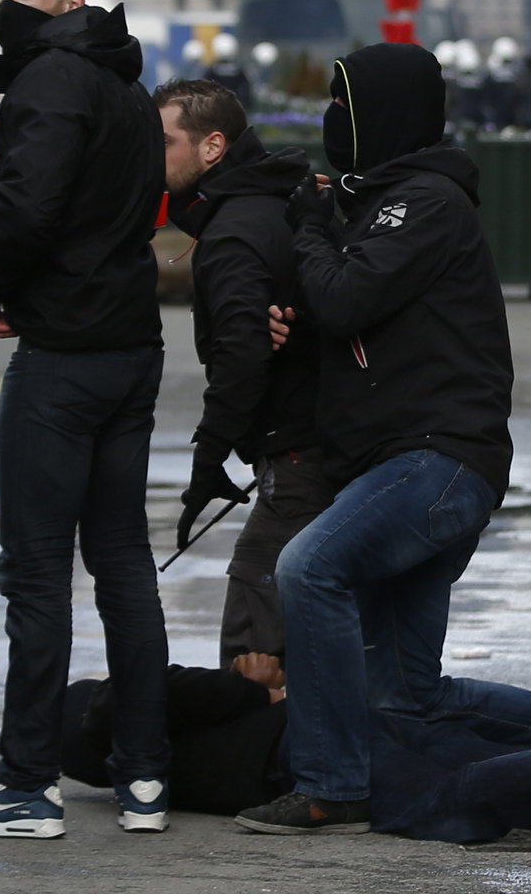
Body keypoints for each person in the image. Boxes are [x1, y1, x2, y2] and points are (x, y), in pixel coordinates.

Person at [232, 42, 515, 835]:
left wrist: (311, 230)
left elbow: (347, 297)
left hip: (437, 461)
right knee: (405, 698)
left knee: (309, 567)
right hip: (402, 464)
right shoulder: (377, 201)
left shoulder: (422, 202)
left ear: (382, 116)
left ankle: (330, 786)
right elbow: (350, 322)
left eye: (342, 104)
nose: (330, 119)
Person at [0, 0, 172, 839]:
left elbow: (27, 204)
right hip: (130, 347)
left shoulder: (47, 81)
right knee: (122, 564)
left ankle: (25, 786)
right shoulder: (126, 86)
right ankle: (144, 776)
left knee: (36, 574)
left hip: (64, 353)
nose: (10, 1)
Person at [63, 657, 531, 857]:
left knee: (460, 798)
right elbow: (225, 691)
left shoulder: (131, 736)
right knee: (513, 758)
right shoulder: (140, 735)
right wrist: (252, 686)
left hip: (316, 753)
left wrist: (246, 691)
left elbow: (132, 700)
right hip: (345, 727)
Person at [156, 79, 351, 664]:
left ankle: (273, 725)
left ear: (212, 146)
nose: (149, 157)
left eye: (163, 142)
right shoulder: (276, 202)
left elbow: (242, 352)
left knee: (255, 642)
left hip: (299, 452)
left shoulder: (234, 230)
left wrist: (209, 455)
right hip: (329, 439)